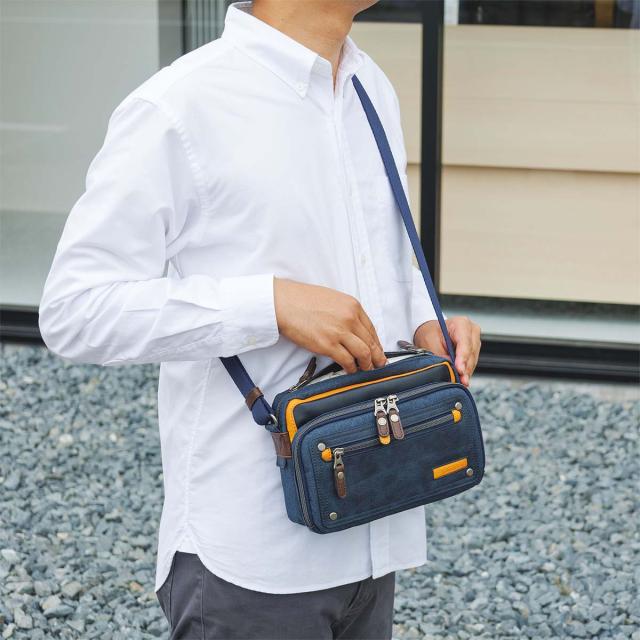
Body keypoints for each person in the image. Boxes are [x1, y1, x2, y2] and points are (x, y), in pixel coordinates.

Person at [38, 1, 481, 637]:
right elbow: (73, 309)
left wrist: (420, 324)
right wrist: (268, 305)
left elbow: (379, 256)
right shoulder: (180, 106)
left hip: (375, 512)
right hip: (251, 560)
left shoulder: (368, 86)